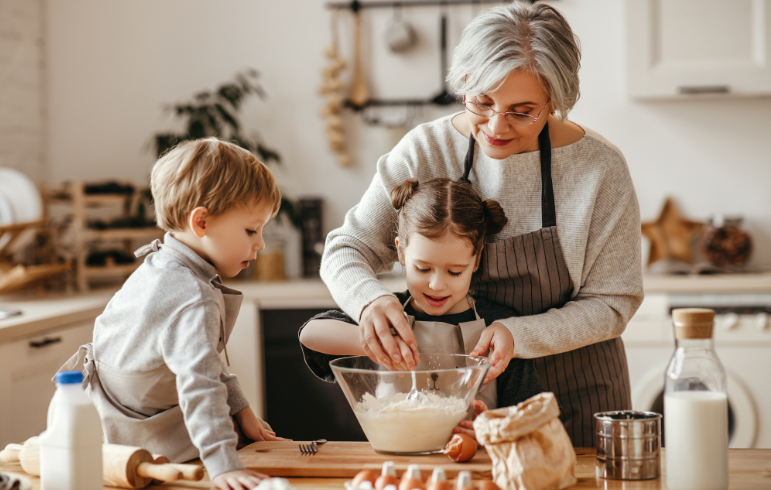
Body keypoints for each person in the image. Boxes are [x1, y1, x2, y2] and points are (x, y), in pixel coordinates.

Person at [319, 2, 643, 447]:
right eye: (482, 102)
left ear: (556, 100)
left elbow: (613, 302)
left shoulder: (598, 169)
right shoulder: (425, 149)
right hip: (454, 408)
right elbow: (346, 248)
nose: (495, 126)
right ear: (464, 84)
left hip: (575, 392)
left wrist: (519, 333)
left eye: (522, 110)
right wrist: (368, 300)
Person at [58, 138, 286, 490]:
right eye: (251, 230)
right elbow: (201, 385)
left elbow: (204, 360)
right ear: (201, 222)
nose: (260, 244)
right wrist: (224, 465)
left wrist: (242, 410)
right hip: (151, 447)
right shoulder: (192, 297)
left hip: (110, 431)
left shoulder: (162, 264)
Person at [300, 178, 544, 437]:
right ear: (401, 253)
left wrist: (492, 429)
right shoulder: (389, 314)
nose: (437, 285)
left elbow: (532, 418)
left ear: (477, 260)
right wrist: (379, 342)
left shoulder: (496, 327)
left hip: (474, 469)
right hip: (396, 463)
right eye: (423, 268)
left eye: (454, 271)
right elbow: (310, 335)